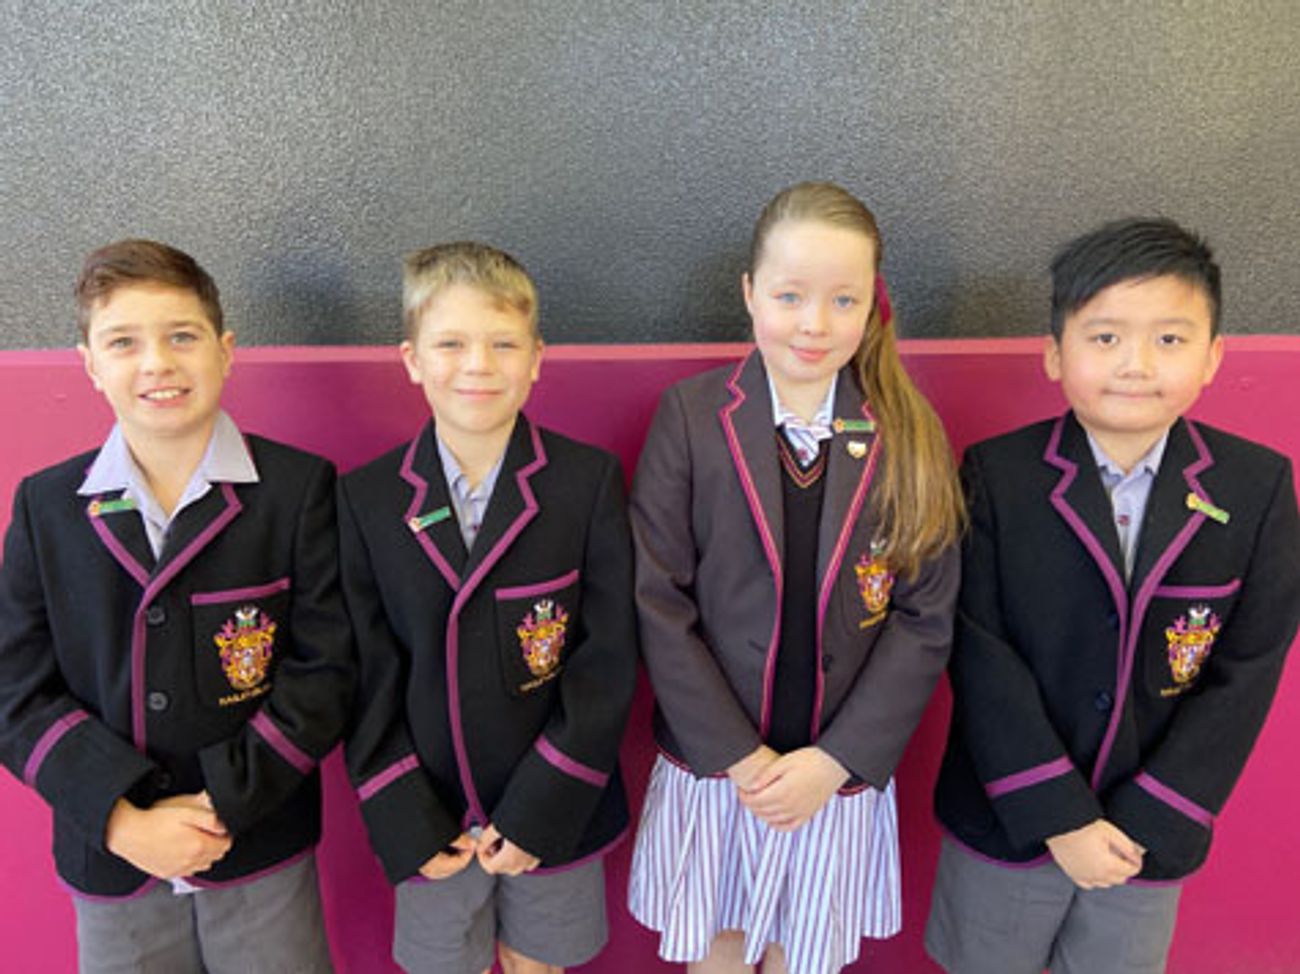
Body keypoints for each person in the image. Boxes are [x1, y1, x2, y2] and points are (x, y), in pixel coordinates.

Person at [927, 217, 1300, 974]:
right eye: (1104, 337)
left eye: (1169, 339)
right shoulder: (997, 475)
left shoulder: (1257, 486)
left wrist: (1154, 813)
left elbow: (1250, 666)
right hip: (1008, 816)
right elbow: (976, 647)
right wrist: (1057, 813)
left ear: (1213, 356)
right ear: (1054, 353)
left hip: (1145, 837)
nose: (1136, 364)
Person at [628, 181, 963, 974]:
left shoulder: (909, 431)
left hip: (834, 772)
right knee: (717, 949)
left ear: (872, 304)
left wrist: (837, 760)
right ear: (750, 293)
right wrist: (738, 756)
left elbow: (925, 619)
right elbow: (657, 599)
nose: (815, 323)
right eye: (790, 296)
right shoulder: (690, 416)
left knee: (802, 954)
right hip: (718, 768)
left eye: (844, 300)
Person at [0, 239, 354, 972]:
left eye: (182, 336)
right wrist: (121, 819)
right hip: (112, 859)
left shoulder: (298, 491)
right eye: (123, 342)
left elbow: (326, 667)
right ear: (90, 365)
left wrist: (222, 801)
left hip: (257, 846)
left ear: (225, 351)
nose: (157, 362)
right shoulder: (46, 507)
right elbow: (14, 688)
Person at [340, 241, 637, 974]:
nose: (478, 365)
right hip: (431, 813)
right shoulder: (367, 498)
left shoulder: (586, 482)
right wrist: (406, 813)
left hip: (554, 805)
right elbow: (365, 673)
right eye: (451, 344)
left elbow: (606, 658)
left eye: (503, 343)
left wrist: (543, 806)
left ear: (536, 358)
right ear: (412, 359)